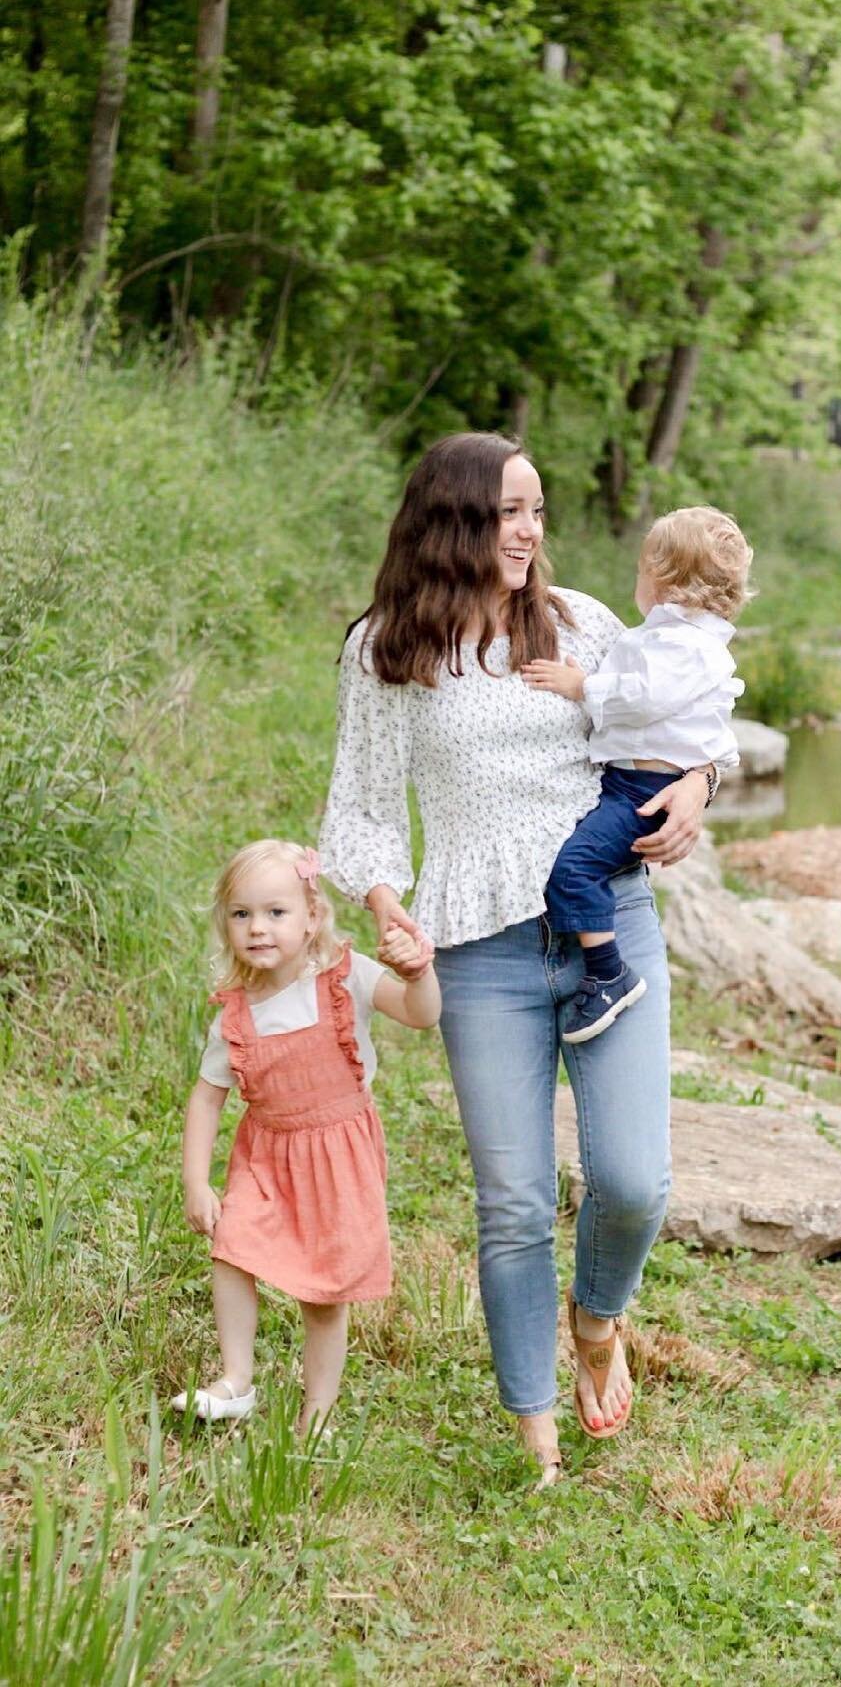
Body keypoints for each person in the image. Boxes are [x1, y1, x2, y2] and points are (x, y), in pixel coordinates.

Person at [317, 432, 713, 1487]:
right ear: (453, 524)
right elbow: (360, 805)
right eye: (507, 513)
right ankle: (535, 1436)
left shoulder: (582, 620)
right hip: (481, 951)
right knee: (514, 1203)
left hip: (609, 923)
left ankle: (598, 1315)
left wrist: (700, 784)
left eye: (537, 509)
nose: (530, 531)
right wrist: (388, 906)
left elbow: (675, 715)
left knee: (633, 1182)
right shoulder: (388, 650)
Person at [174, 839, 439, 1435]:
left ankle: (316, 1414)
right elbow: (207, 1096)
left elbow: (422, 1014)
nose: (258, 928)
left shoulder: (347, 981)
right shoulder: (235, 1014)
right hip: (266, 1153)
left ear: (312, 916)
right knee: (232, 1248)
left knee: (323, 1292)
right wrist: (197, 1181)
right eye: (242, 915)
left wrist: (418, 972)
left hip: (337, 1155)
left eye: (276, 912)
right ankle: (236, 1378)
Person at [519, 506, 749, 1043]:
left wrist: (582, 686)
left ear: (664, 581)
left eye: (641, 570)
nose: (637, 583)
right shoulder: (667, 639)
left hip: (642, 792)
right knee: (582, 855)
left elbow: (647, 700)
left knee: (575, 866)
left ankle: (607, 973)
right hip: (629, 783)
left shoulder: (684, 646)